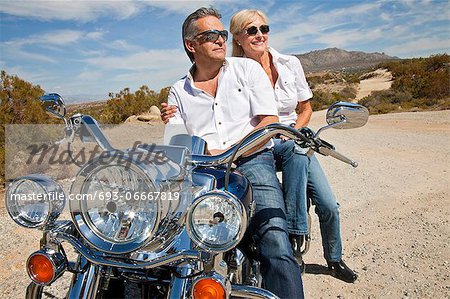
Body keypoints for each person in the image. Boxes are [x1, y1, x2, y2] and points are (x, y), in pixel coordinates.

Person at [164, 7, 303, 298]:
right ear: (192, 45)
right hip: (204, 173)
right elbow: (177, 143)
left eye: (223, 34)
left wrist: (229, 152)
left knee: (275, 241)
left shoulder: (246, 70)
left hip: (254, 159)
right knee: (175, 244)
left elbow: (270, 122)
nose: (220, 40)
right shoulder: (178, 92)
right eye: (210, 35)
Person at [229, 9, 357, 283]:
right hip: (256, 146)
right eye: (251, 30)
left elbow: (306, 108)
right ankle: (290, 242)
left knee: (328, 205)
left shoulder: (289, 63)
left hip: (292, 139)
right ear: (238, 37)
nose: (260, 34)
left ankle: (332, 258)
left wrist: (293, 131)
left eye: (264, 28)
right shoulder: (230, 72)